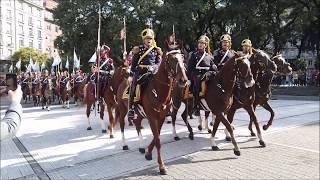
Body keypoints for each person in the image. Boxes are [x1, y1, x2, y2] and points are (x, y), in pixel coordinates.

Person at [127, 28, 162, 118]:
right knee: (133, 85)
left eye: (150, 38)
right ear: (144, 40)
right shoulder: (138, 50)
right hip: (140, 72)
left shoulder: (156, 50)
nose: (149, 40)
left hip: (153, 72)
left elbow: (158, 62)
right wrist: (131, 75)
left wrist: (155, 66)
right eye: (147, 38)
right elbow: (134, 64)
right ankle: (131, 108)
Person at [187, 35, 217, 116]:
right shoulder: (194, 55)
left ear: (205, 45)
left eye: (202, 43)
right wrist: (189, 79)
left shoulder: (209, 56)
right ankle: (196, 106)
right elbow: (189, 67)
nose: (200, 44)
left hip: (208, 74)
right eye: (199, 43)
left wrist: (215, 68)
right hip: (197, 74)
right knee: (197, 85)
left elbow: (213, 66)